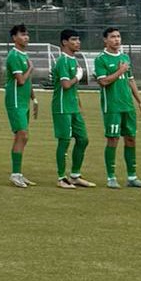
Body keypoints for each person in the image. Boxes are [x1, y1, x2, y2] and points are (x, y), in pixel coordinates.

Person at [94, 27, 141, 188]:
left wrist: (139, 101)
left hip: (127, 106)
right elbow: (103, 81)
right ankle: (111, 177)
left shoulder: (125, 57)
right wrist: (120, 70)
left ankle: (132, 177)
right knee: (113, 139)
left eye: (118, 36)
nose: (117, 40)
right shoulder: (101, 59)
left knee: (131, 138)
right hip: (112, 106)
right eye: (113, 37)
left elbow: (130, 80)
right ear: (105, 40)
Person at [51, 28, 93, 188]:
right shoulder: (62, 61)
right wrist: (78, 77)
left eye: (78, 39)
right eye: (74, 39)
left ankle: (75, 175)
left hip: (73, 107)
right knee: (65, 141)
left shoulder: (73, 60)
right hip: (62, 107)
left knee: (83, 139)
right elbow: (66, 84)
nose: (78, 42)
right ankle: (61, 178)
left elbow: (73, 89)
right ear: (64, 42)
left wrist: (79, 106)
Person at [4, 24, 38, 188]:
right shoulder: (14, 56)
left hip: (24, 101)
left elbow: (27, 83)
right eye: (23, 35)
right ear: (14, 38)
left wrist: (34, 98)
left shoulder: (23, 55)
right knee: (21, 135)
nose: (26, 37)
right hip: (15, 101)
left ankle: (18, 173)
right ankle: (15, 174)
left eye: (27, 34)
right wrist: (31, 68)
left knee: (24, 136)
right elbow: (21, 80)